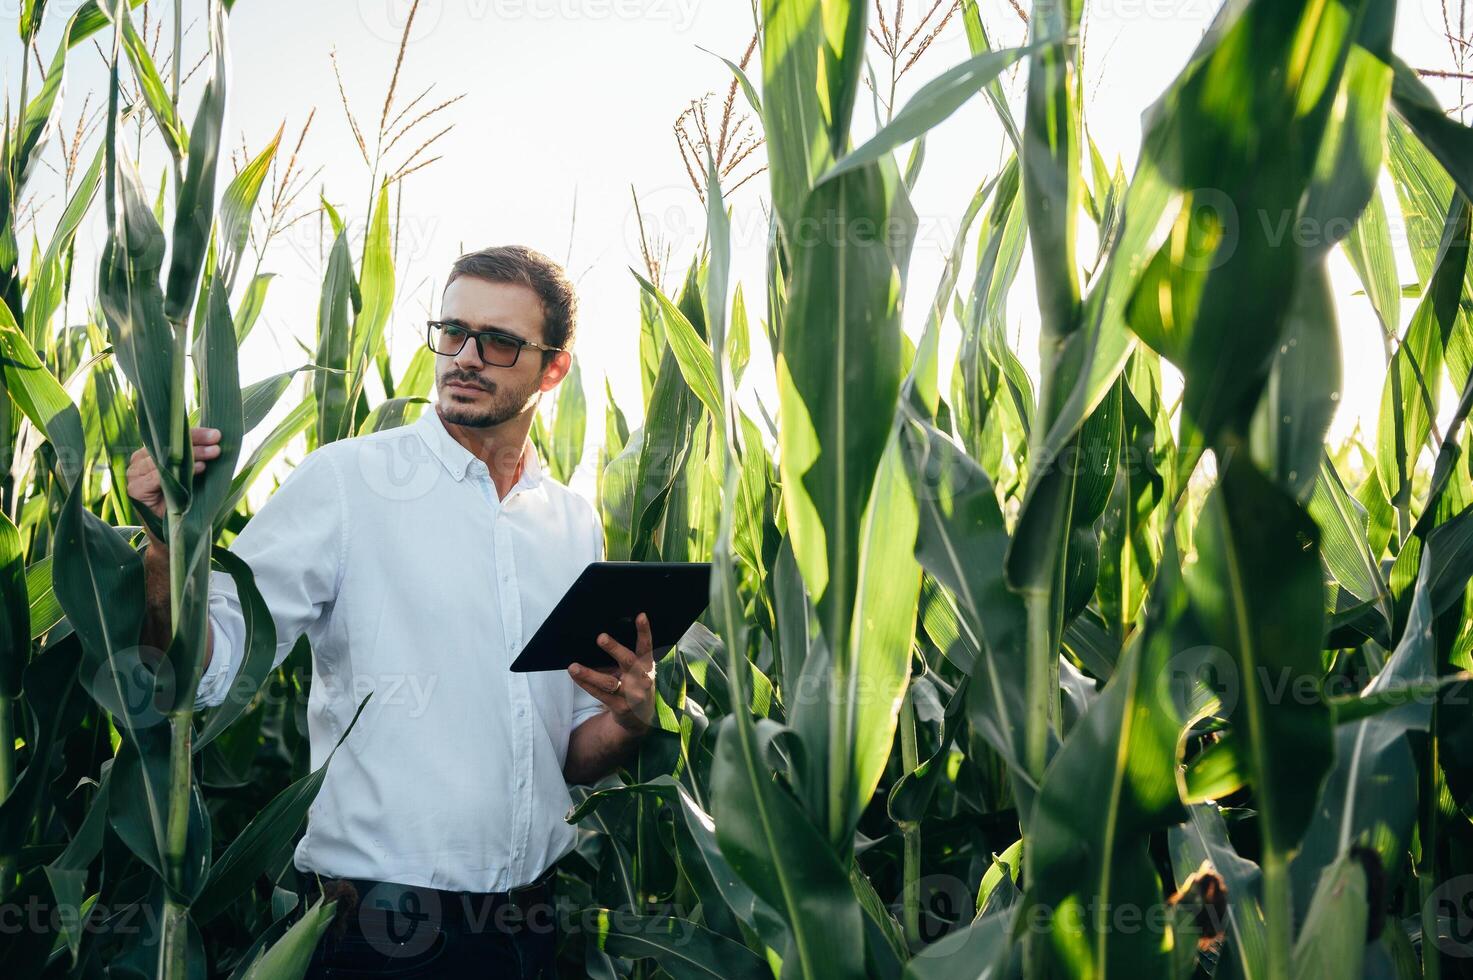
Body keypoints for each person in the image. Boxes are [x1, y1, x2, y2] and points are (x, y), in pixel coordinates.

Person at [126, 245, 654, 978]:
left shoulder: (572, 522)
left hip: (529, 925)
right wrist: (161, 538)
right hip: (382, 930)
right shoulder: (347, 483)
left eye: (498, 343)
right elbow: (203, 669)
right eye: (452, 331)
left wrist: (628, 720)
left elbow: (564, 752)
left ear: (554, 366)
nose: (465, 357)